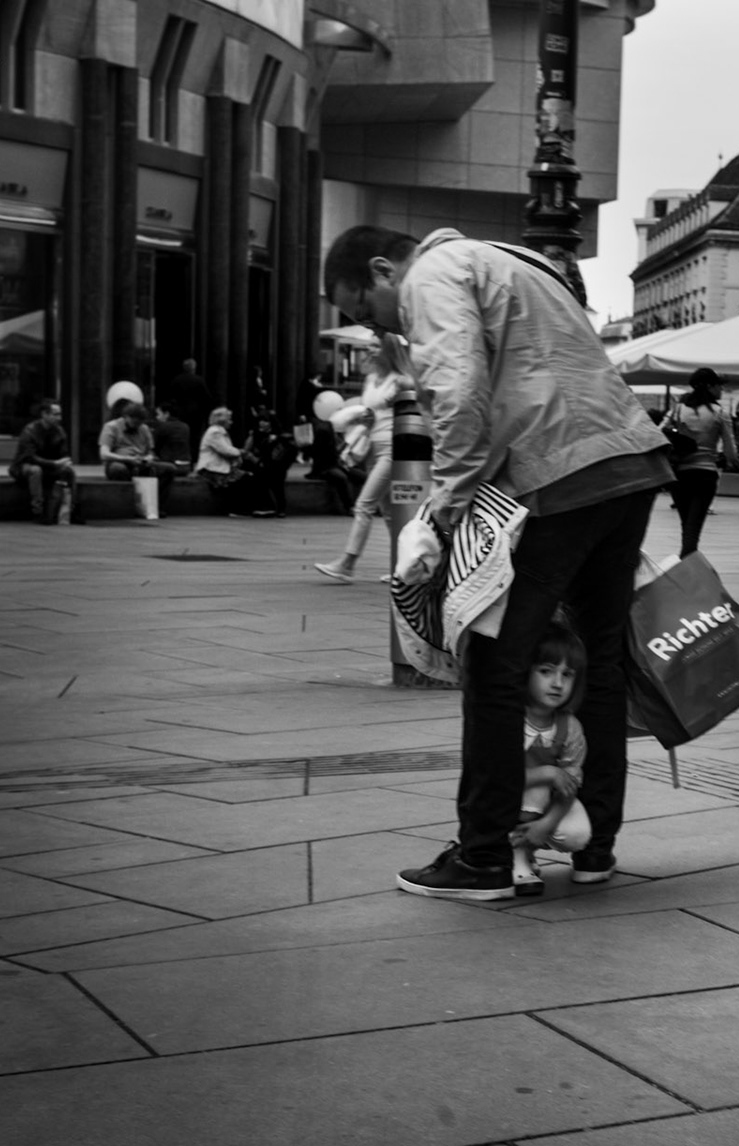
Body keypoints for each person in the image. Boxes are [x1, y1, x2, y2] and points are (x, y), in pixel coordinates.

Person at [323, 222, 672, 900]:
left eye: (364, 311)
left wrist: (442, 509)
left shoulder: (431, 275)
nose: (373, 328)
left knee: (493, 659)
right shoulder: (511, 261)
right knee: (598, 660)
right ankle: (594, 843)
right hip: (625, 464)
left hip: (557, 475)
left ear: (382, 271)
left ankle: (484, 855)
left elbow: (458, 390)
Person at [508, 619, 594, 896]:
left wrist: (547, 825)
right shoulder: (510, 717)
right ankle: (516, 859)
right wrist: (545, 773)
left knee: (577, 832)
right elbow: (496, 775)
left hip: (541, 804)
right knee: (545, 780)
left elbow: (570, 783)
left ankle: (527, 848)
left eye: (567, 674)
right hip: (505, 798)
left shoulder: (570, 728)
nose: (557, 683)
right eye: (546, 671)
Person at [315, 335, 407, 582]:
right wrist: (362, 418)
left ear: (388, 348)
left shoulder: (400, 380)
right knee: (388, 511)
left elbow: (416, 406)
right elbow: (372, 412)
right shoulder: (370, 380)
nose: (370, 350)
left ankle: (347, 563)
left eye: (376, 346)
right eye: (369, 346)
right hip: (373, 448)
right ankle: (404, 567)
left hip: (393, 448)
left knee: (364, 504)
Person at [666, 366, 739, 557]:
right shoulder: (719, 413)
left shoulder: (678, 409)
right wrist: (727, 459)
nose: (721, 390)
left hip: (680, 473)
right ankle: (688, 568)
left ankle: (686, 562)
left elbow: (658, 432)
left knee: (686, 525)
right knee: (694, 528)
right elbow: (731, 452)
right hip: (705, 474)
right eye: (718, 386)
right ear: (709, 387)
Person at [9, 398, 76, 524]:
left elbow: (63, 453)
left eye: (60, 414)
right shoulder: (30, 430)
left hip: (48, 466)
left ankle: (71, 508)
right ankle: (37, 511)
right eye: (55, 414)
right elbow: (30, 457)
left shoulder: (59, 432)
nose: (59, 418)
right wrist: (54, 464)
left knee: (68, 471)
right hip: (24, 466)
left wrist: (64, 462)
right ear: (44, 414)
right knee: (36, 470)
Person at [242, 409, 295, 518]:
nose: (262, 423)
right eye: (260, 420)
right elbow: (246, 450)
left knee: (278, 486)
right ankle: (263, 507)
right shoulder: (256, 434)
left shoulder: (278, 435)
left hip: (276, 466)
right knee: (260, 480)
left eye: (265, 421)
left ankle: (281, 508)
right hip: (261, 465)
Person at [196, 406, 247, 516]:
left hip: (217, 467)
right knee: (242, 479)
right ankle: (234, 509)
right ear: (222, 420)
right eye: (229, 419)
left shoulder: (219, 431)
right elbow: (225, 450)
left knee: (245, 477)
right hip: (211, 469)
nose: (231, 422)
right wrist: (241, 452)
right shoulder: (215, 432)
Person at [151, 402, 196, 514]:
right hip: (185, 466)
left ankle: (157, 506)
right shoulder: (185, 426)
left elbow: (154, 446)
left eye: (159, 414)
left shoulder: (163, 427)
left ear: (166, 414)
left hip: (171, 466)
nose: (157, 417)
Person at [167, 358, 212, 433]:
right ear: (194, 368)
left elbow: (171, 396)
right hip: (196, 413)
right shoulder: (199, 380)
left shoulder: (177, 380)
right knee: (195, 434)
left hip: (180, 412)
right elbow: (206, 397)